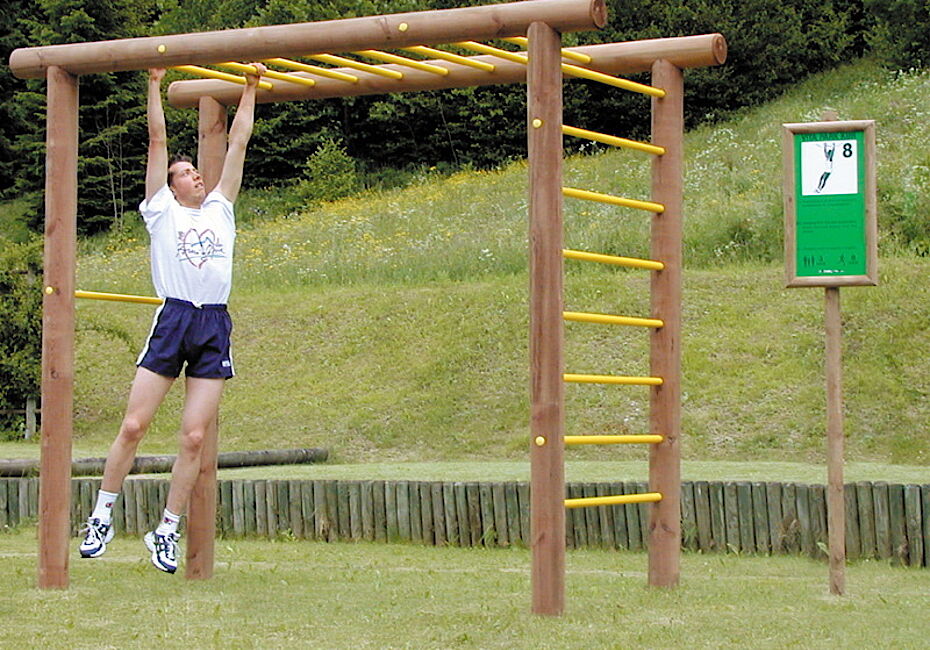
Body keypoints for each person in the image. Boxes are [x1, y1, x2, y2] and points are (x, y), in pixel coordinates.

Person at [78, 63, 265, 573]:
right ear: (169, 184)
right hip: (175, 318)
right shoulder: (161, 209)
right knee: (135, 424)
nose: (195, 175)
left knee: (195, 438)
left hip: (213, 323)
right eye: (185, 172)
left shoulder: (221, 208)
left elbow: (239, 146)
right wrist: (155, 84)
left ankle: (166, 529)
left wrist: (250, 88)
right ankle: (100, 516)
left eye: (196, 171)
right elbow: (156, 139)